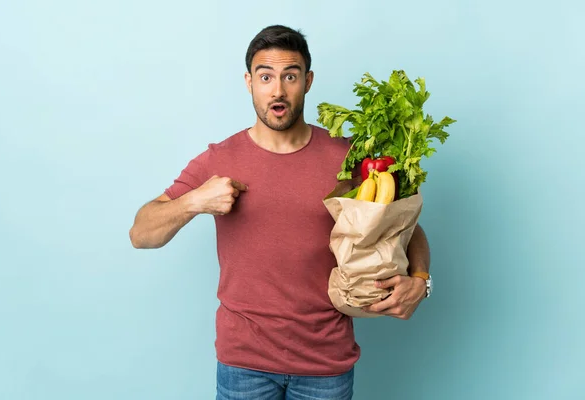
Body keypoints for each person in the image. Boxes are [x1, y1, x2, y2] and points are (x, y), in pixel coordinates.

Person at [129, 24, 431, 400]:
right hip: (244, 366)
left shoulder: (349, 158)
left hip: (326, 364)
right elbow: (141, 234)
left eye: (290, 76)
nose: (277, 89)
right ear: (248, 82)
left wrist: (420, 280)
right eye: (265, 76)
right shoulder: (219, 159)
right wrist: (195, 201)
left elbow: (406, 227)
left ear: (307, 81)